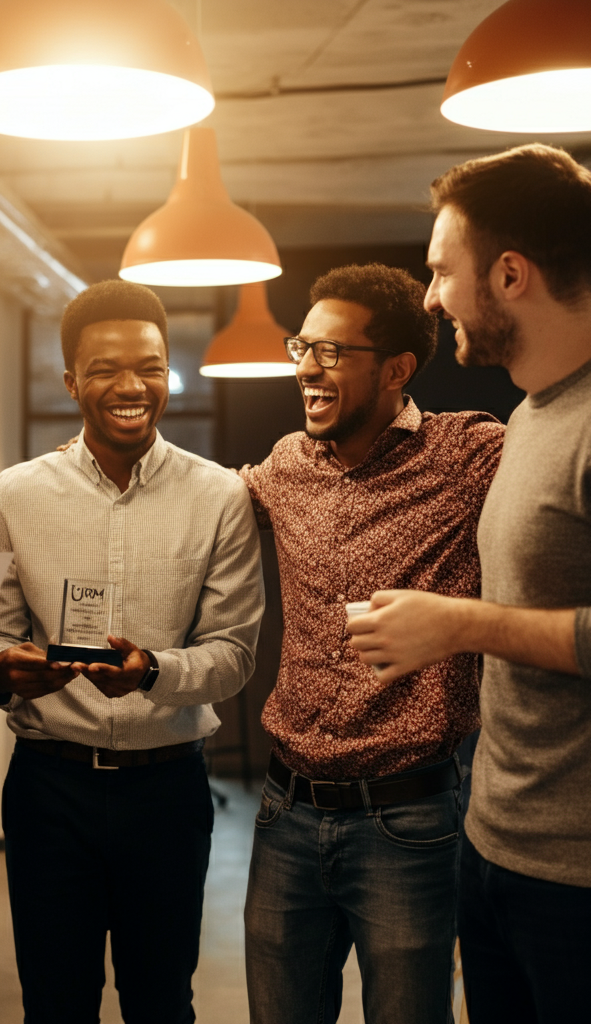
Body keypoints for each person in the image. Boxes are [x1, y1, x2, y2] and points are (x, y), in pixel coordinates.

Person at [0, 279, 264, 1024]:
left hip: (167, 793)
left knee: (162, 1001)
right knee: (55, 1002)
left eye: (151, 367)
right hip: (48, 791)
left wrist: (154, 672)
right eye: (104, 369)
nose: (132, 386)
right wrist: (3, 670)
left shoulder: (219, 494)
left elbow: (233, 654)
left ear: (170, 373)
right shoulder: (12, 496)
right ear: (71, 380)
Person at [348, 145, 591, 1022]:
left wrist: (458, 625)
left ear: (512, 274)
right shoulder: (531, 414)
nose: (430, 295)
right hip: (495, 848)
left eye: (442, 270)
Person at [240, 263, 505, 1024]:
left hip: (409, 819)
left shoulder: (467, 456)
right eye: (303, 346)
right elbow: (193, 509)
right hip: (283, 813)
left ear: (397, 369)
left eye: (331, 352)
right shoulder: (287, 463)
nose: (305, 367)